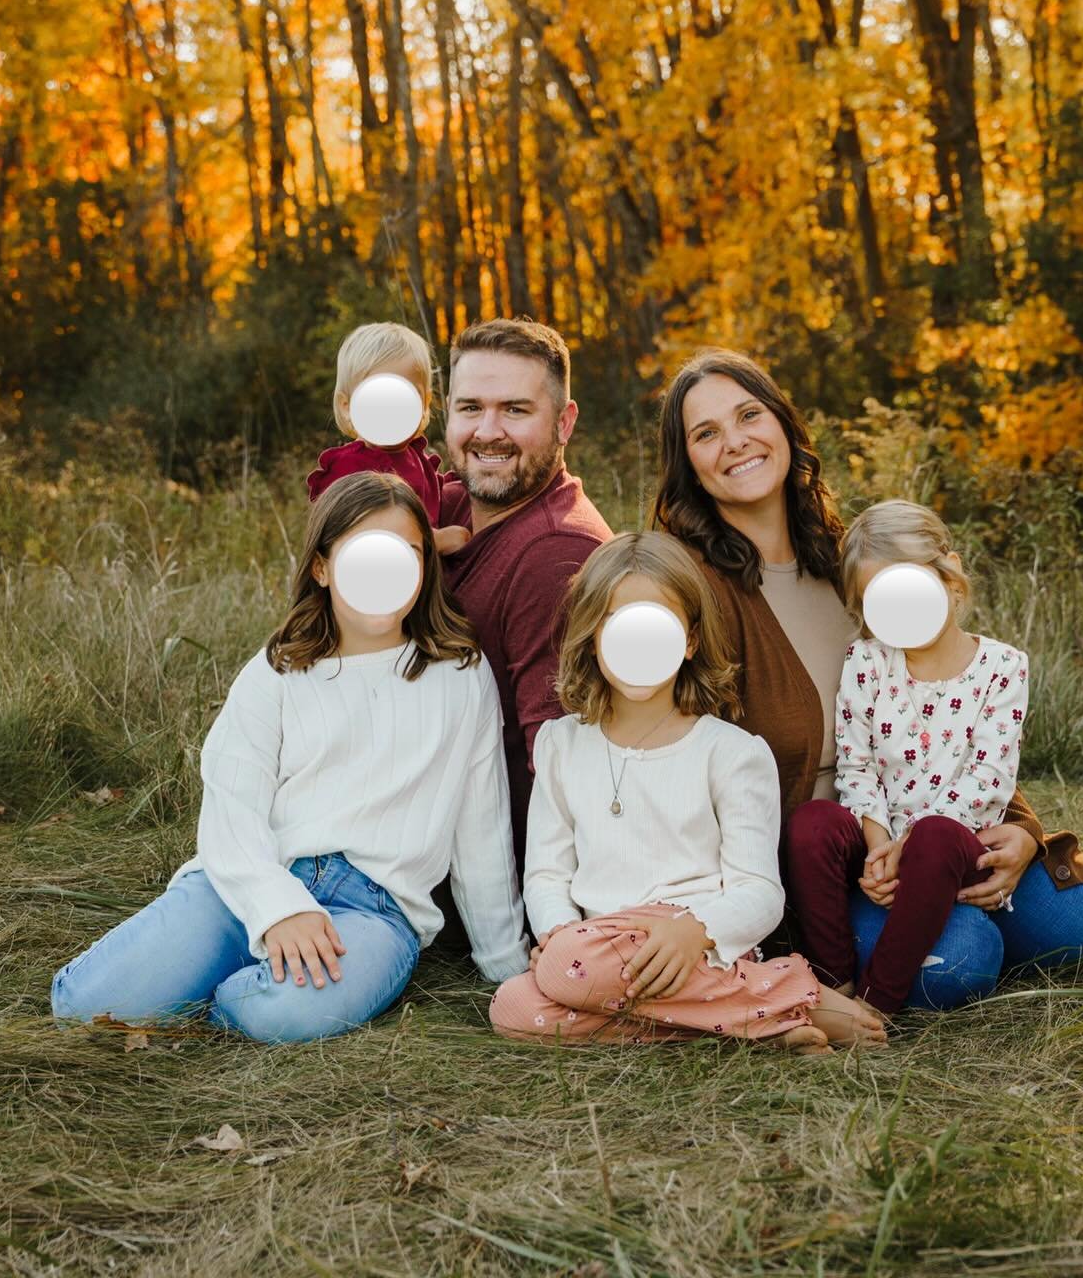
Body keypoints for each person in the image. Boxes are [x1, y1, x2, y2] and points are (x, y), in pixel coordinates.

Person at [654, 348, 1083, 1009]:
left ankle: (954, 914)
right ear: (689, 465)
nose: (734, 441)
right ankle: (893, 956)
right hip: (836, 862)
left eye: (748, 414)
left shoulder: (847, 558)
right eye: (706, 433)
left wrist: (1019, 831)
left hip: (936, 826)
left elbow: (949, 700)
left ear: (785, 427)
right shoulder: (696, 591)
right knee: (961, 962)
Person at [51, 472, 528, 1042]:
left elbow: (482, 830)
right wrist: (276, 907)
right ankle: (207, 961)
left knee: (280, 1014)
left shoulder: (460, 675)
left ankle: (220, 1000)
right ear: (323, 568)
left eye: (403, 554)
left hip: (374, 910)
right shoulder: (277, 672)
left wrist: (506, 967)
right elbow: (232, 809)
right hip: (256, 875)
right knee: (87, 1006)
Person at [489, 531, 886, 1050]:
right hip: (597, 950)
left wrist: (694, 929)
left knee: (563, 975)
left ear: (690, 639)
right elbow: (546, 872)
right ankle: (769, 1012)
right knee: (514, 1008)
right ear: (591, 636)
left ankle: (770, 993)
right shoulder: (561, 744)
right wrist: (558, 933)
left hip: (701, 949)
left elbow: (760, 892)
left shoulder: (732, 753)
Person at [805, 499, 1030, 1012]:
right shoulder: (867, 662)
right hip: (882, 855)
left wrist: (909, 847)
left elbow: (988, 782)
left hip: (954, 850)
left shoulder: (1002, 667)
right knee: (814, 821)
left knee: (935, 836)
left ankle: (876, 1003)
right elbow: (856, 766)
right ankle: (833, 983)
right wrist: (881, 849)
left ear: (947, 574)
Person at [438, 319, 612, 866]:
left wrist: (549, 917)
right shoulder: (451, 502)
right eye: (470, 408)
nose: (488, 431)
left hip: (480, 868)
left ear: (564, 423)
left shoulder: (556, 555)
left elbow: (558, 764)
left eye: (515, 410)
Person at [305, 320, 469, 552]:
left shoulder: (418, 459)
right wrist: (435, 541)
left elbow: (439, 497)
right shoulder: (351, 467)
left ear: (424, 404)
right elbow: (356, 532)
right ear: (347, 407)